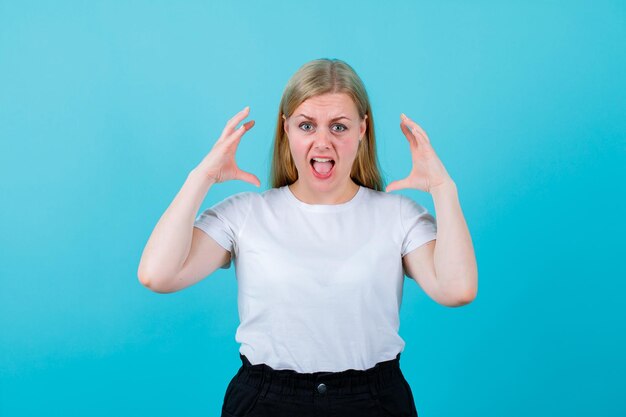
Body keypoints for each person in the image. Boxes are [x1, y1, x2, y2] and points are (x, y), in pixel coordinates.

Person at [137, 58, 478, 417]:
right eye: (306, 125)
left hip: (373, 401)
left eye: (339, 127)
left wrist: (443, 188)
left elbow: (457, 289)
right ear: (286, 129)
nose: (322, 142)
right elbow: (157, 274)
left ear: (363, 130)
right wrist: (202, 176)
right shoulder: (245, 214)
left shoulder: (398, 216)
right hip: (266, 401)